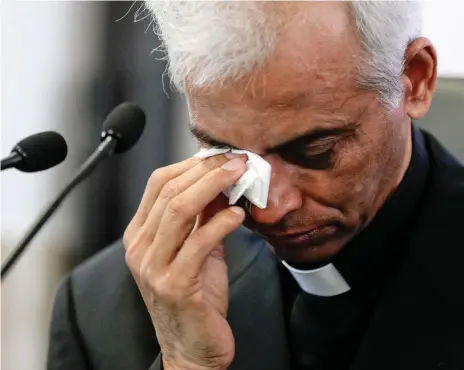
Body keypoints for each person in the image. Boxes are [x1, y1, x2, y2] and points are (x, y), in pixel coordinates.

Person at [47, 2, 464, 370]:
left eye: (315, 150)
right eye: (225, 153)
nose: (269, 209)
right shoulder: (102, 310)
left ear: (415, 79)